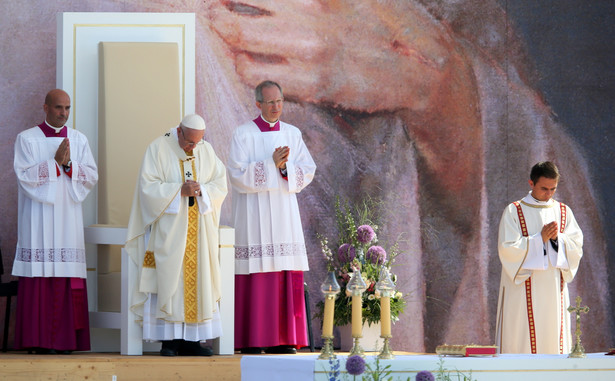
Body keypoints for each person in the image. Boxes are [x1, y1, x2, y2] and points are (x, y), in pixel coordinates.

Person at [125, 114, 228, 356]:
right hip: (169, 233)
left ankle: (192, 341)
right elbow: (147, 188)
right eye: (190, 142)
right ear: (179, 132)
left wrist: (202, 190)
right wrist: (178, 191)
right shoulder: (158, 148)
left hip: (199, 234)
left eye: (198, 143)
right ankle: (169, 341)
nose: (193, 148)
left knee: (197, 281)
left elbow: (220, 183)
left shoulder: (206, 149)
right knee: (170, 281)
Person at [228, 80, 316, 354]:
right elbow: (236, 175)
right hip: (253, 215)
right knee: (256, 270)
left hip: (284, 214)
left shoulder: (292, 133)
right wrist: (270, 164)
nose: (276, 107)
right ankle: (253, 339)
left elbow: (307, 170)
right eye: (270, 102)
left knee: (284, 270)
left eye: (279, 101)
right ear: (258, 104)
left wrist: (285, 167)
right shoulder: (242, 134)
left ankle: (285, 338)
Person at [12, 89, 98, 354]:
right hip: (37, 217)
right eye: (59, 107)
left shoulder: (79, 139)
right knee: (39, 275)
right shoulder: (27, 139)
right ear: (46, 107)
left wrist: (69, 164)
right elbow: (24, 177)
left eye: (68, 108)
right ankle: (39, 341)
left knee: (65, 274)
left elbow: (91, 175)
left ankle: (65, 342)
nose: (63, 113)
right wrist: (54, 163)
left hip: (67, 216)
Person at [495, 161, 583, 354]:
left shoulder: (563, 211)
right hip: (522, 292)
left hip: (554, 290)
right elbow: (507, 249)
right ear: (531, 183)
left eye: (553, 189)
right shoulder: (514, 211)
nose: (549, 194)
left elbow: (576, 247)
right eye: (544, 188)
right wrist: (539, 240)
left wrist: (557, 239)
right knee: (523, 343)